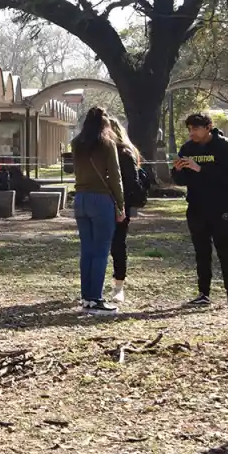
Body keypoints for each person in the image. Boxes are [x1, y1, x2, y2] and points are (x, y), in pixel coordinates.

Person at [173, 113, 228, 310]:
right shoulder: (187, 148)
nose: (192, 133)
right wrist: (178, 170)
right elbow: (180, 181)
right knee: (201, 252)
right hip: (196, 207)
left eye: (196, 128)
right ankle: (203, 293)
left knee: (225, 252)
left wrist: (200, 169)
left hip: (221, 207)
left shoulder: (223, 146)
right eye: (189, 129)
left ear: (208, 127)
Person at [70, 107, 126, 315]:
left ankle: (87, 297)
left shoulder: (77, 144)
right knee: (101, 251)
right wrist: (120, 205)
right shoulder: (108, 144)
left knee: (87, 250)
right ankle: (96, 299)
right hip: (101, 199)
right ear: (105, 124)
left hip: (81, 198)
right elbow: (115, 176)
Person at [107, 118, 142, 303]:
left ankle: (118, 285)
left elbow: (131, 182)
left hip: (120, 203)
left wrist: (121, 204)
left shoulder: (124, 152)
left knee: (118, 244)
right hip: (103, 201)